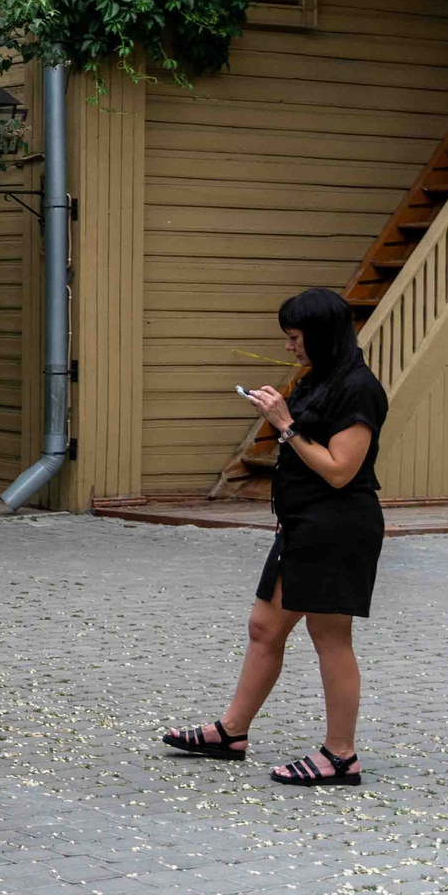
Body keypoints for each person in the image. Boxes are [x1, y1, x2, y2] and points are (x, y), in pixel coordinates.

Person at [164, 288, 386, 786]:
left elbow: (338, 471)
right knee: (264, 627)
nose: (289, 347)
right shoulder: (321, 378)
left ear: (321, 335)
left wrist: (284, 425)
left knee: (330, 636)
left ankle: (341, 755)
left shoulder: (359, 387)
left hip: (338, 526)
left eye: (294, 337)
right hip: (303, 526)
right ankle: (231, 732)